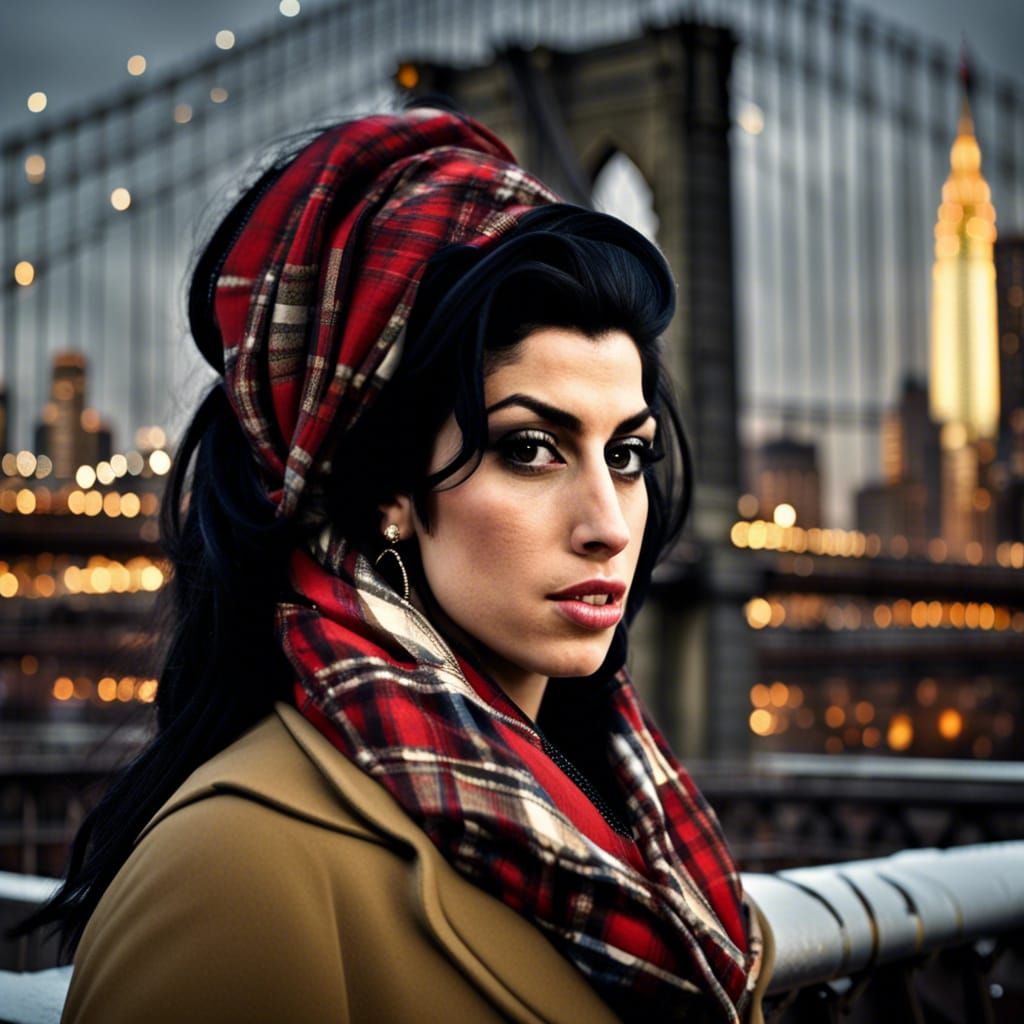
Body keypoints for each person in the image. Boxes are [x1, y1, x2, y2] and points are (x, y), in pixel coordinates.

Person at [29, 106, 770, 1022]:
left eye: (625, 453)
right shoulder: (233, 877)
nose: (609, 524)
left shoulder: (630, 812)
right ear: (382, 484)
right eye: (532, 449)